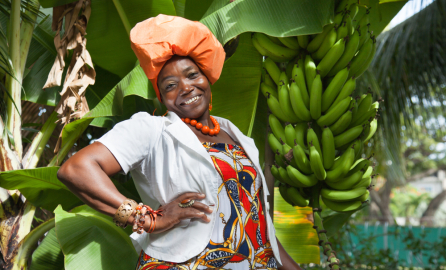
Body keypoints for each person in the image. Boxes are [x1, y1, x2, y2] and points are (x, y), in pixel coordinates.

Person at [57, 14, 302, 270]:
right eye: (171, 85)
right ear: (161, 97)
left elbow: (259, 222)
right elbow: (77, 169)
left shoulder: (236, 134)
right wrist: (148, 219)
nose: (185, 88)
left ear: (206, 77)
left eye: (192, 75)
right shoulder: (153, 129)